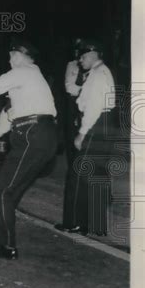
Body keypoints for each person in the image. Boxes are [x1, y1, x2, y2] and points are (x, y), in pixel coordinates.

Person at [0, 39, 57, 259]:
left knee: (1, 190)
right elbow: (8, 115)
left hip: (31, 136)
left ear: (24, 56)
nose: (9, 59)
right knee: (7, 190)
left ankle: (7, 247)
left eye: (12, 55)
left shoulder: (25, 71)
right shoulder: (29, 82)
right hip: (40, 136)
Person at [55, 39, 116, 236]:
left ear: (92, 54)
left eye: (82, 56)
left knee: (78, 175)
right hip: (106, 125)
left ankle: (74, 222)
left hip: (95, 125)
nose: (79, 60)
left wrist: (82, 133)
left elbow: (93, 108)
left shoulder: (97, 75)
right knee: (97, 174)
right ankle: (97, 225)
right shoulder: (103, 72)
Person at [64, 38, 87, 164]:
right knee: (72, 133)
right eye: (76, 50)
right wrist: (87, 89)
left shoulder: (92, 68)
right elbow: (69, 87)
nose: (77, 53)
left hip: (87, 104)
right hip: (73, 103)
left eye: (80, 50)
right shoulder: (71, 65)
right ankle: (72, 162)